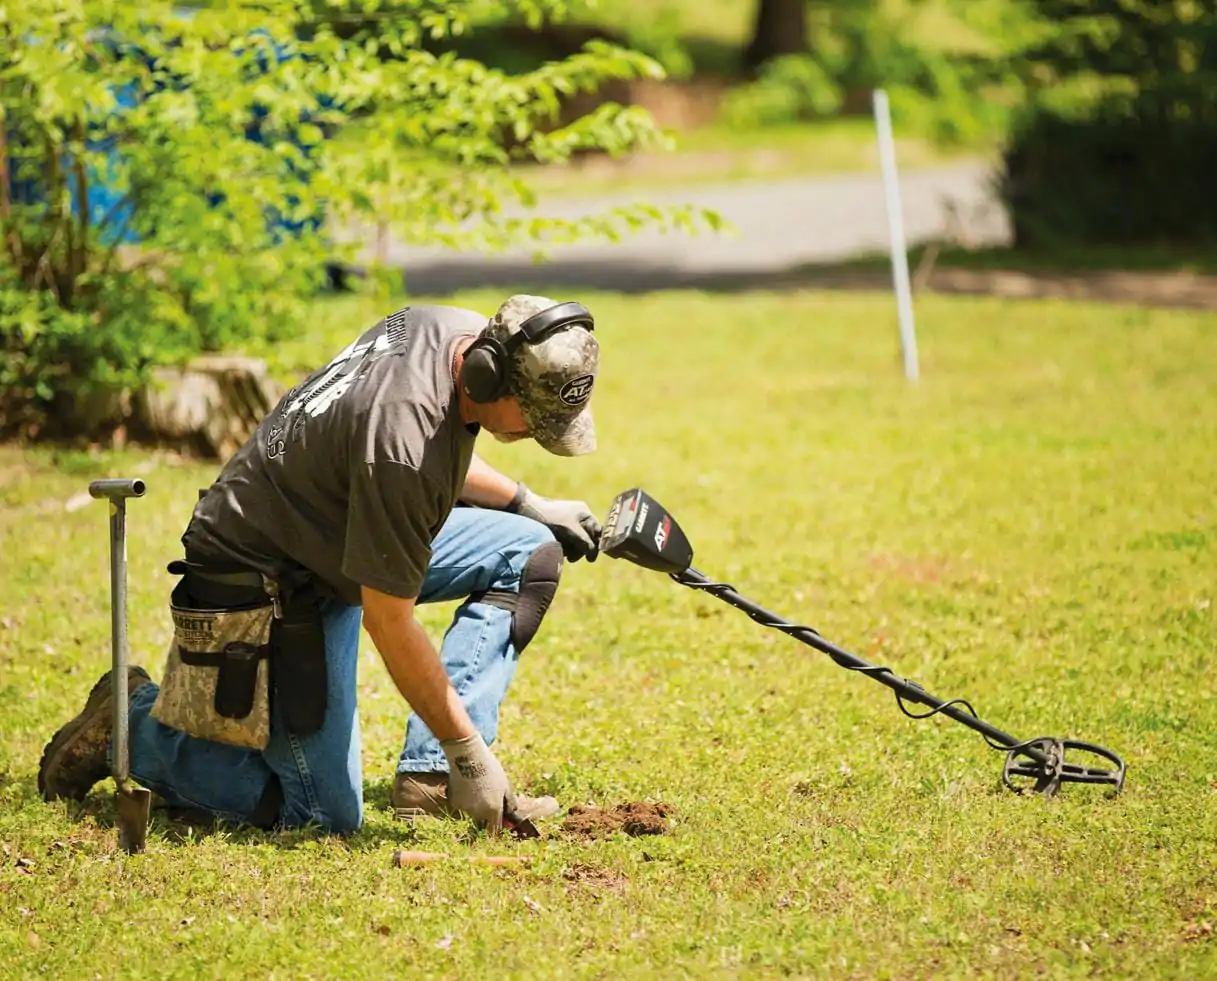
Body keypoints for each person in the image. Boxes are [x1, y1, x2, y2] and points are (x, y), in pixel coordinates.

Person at [38, 294, 604, 835]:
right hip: (268, 573)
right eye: (532, 418)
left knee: (525, 551)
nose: (533, 433)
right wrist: (472, 751)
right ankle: (130, 726)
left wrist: (529, 503)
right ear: (489, 374)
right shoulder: (401, 445)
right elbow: (390, 619)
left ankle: (431, 776)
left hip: (342, 529)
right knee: (320, 811)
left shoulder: (449, 330)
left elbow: (433, 446)